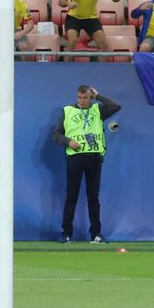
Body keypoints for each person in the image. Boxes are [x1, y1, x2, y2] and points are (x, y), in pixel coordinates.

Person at [53, 84, 121, 244]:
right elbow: (56, 134)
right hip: (75, 157)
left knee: (93, 198)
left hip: (94, 158)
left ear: (90, 97)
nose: (82, 101)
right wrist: (68, 141)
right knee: (71, 197)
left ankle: (96, 234)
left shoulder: (98, 110)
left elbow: (116, 106)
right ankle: (66, 233)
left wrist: (98, 96)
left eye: (85, 97)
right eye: (79, 97)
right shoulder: (67, 111)